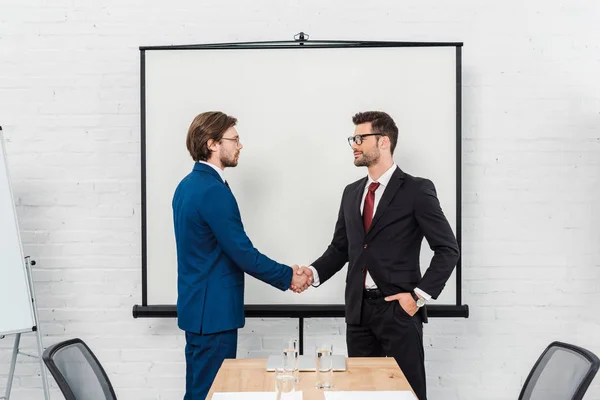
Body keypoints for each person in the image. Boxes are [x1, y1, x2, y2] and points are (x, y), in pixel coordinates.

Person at [297, 111, 459, 400]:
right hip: (359, 314)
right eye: (353, 138)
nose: (354, 145)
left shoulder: (416, 189)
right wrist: (312, 273)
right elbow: (340, 248)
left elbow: (448, 249)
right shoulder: (351, 193)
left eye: (361, 138)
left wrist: (417, 297)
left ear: (383, 142)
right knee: (359, 394)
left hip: (398, 311)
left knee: (409, 394)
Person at [172, 111, 311, 400]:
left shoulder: (186, 186)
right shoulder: (212, 190)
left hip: (198, 312)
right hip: (214, 316)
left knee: (198, 391)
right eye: (234, 139)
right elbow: (243, 254)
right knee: (211, 393)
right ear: (212, 144)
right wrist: (289, 277)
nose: (240, 146)